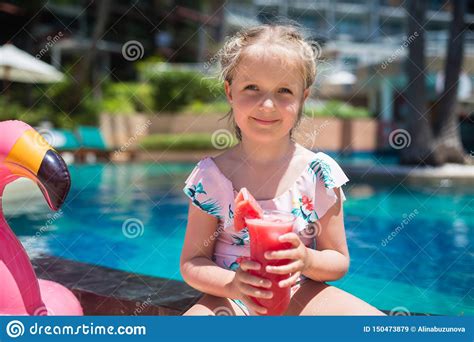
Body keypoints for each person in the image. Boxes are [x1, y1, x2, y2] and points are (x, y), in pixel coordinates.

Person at [180, 24, 384, 316]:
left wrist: (306, 259)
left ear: (303, 97)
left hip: (299, 293)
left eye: (284, 91)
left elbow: (338, 260)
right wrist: (234, 285)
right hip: (232, 300)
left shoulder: (319, 174)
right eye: (252, 88)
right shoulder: (211, 177)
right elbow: (192, 262)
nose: (267, 104)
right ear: (229, 91)